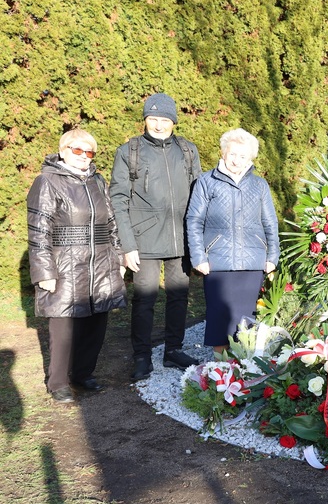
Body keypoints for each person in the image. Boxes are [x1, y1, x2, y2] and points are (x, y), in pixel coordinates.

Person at [27, 130, 127, 403]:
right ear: (63, 151)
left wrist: (119, 258)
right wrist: (44, 272)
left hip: (101, 261)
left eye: (89, 152)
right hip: (66, 263)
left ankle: (83, 373)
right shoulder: (47, 181)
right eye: (77, 150)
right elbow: (38, 230)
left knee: (96, 323)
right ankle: (58, 381)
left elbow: (111, 225)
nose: (83, 156)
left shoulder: (97, 180)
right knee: (64, 326)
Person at [110, 93, 202, 380]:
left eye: (165, 120)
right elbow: (118, 199)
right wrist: (128, 245)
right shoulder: (129, 151)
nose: (159, 125)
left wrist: (199, 241)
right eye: (153, 119)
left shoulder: (187, 150)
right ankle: (142, 356)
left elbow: (200, 196)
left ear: (173, 121)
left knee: (178, 297)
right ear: (145, 120)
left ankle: (173, 350)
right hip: (143, 240)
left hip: (181, 238)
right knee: (145, 300)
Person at [186, 128, 280, 353]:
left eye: (243, 156)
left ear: (250, 158)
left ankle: (243, 373)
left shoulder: (259, 186)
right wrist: (199, 257)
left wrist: (272, 257)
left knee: (245, 323)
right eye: (233, 154)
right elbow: (194, 220)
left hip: (252, 264)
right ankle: (219, 373)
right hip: (217, 263)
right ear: (223, 152)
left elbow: (270, 223)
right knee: (219, 322)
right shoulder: (206, 182)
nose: (236, 160)